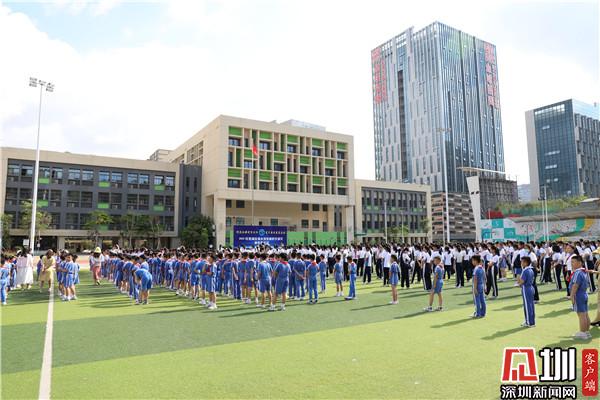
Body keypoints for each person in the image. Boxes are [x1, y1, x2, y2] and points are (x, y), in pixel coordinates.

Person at [569, 255, 591, 339]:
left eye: (573, 262)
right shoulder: (583, 271)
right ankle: (586, 332)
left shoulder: (578, 272)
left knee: (581, 315)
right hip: (584, 294)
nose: (572, 264)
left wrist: (572, 296)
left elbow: (575, 285)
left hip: (578, 295)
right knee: (585, 314)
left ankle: (582, 333)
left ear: (579, 263)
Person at [518, 256, 535, 328]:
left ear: (525, 262)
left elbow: (521, 281)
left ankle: (529, 322)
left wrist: (518, 283)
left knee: (527, 306)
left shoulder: (525, 270)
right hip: (531, 288)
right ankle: (531, 321)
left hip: (526, 289)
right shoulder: (531, 269)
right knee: (531, 305)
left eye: (522, 262)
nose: (521, 263)